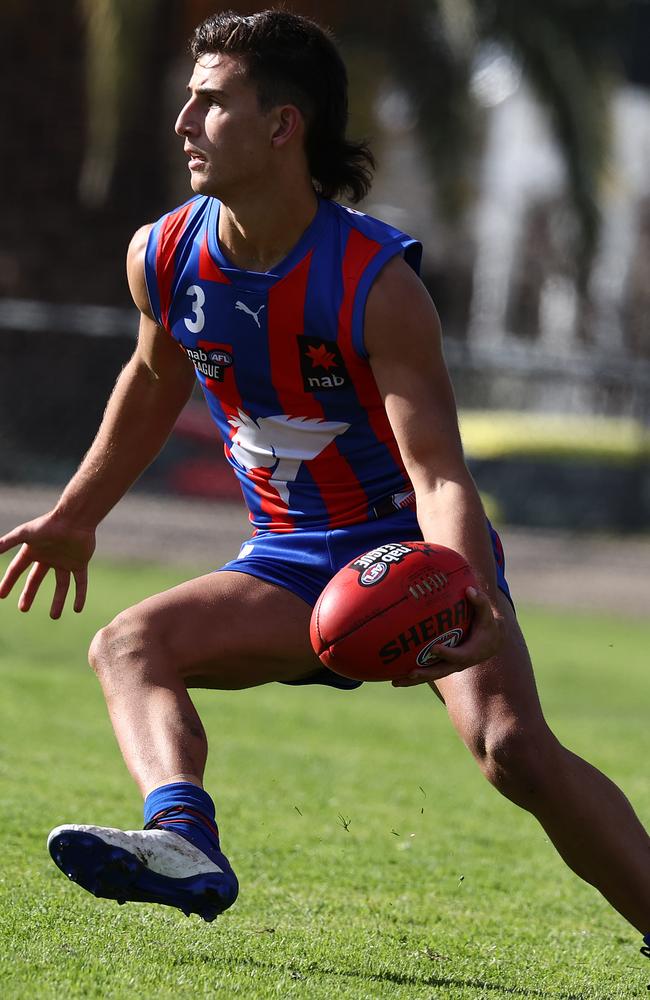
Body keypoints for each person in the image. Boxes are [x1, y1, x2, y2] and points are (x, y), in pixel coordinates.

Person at [1, 9, 648, 960]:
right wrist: (76, 515)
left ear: (282, 125)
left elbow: (437, 471)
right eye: (188, 98)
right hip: (287, 564)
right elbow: (150, 380)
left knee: (514, 753)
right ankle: (183, 838)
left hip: (409, 551)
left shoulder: (374, 283)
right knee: (128, 645)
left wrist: (463, 588)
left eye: (212, 102)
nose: (183, 120)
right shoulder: (166, 254)